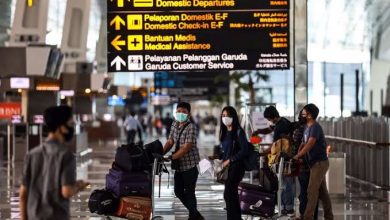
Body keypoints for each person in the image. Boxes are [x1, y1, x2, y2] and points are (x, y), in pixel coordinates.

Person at [19, 106, 89, 220]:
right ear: (60, 127)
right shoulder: (66, 155)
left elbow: (23, 194)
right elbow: (66, 192)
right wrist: (79, 186)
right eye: (70, 124)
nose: (71, 128)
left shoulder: (31, 154)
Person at [163, 102, 203, 220]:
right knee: (178, 191)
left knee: (190, 192)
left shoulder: (191, 127)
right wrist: (161, 153)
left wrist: (172, 157)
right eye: (179, 111)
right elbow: (170, 141)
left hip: (190, 165)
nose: (181, 113)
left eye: (184, 112)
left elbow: (187, 147)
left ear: (189, 114)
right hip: (179, 166)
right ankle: (195, 214)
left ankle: (193, 216)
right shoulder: (175, 123)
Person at [293, 104, 333, 220]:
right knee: (323, 193)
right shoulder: (307, 127)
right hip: (314, 163)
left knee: (311, 190)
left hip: (319, 164)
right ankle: (329, 217)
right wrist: (299, 154)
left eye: (304, 112)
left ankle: (307, 217)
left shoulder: (315, 127)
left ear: (309, 115)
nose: (302, 113)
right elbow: (304, 143)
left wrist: (298, 155)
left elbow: (310, 144)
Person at [252, 105, 294, 216]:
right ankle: (286, 207)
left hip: (284, 158)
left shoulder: (281, 126)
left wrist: (261, 153)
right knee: (284, 183)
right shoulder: (282, 121)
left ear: (273, 117)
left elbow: (274, 147)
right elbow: (270, 129)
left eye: (269, 119)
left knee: (285, 184)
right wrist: (259, 131)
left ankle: (288, 208)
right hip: (286, 157)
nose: (269, 121)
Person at [213, 106, 249, 220]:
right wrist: (217, 157)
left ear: (233, 116)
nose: (225, 118)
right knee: (231, 195)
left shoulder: (239, 132)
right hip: (228, 168)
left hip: (237, 167)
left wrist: (230, 160)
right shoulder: (224, 132)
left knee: (228, 194)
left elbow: (245, 150)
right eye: (223, 116)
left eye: (227, 115)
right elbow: (226, 151)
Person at [292, 110, 319, 220]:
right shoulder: (307, 129)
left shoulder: (298, 130)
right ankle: (311, 215)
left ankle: (304, 215)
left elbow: (297, 146)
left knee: (304, 191)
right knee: (310, 193)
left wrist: (297, 157)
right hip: (307, 163)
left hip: (301, 164)